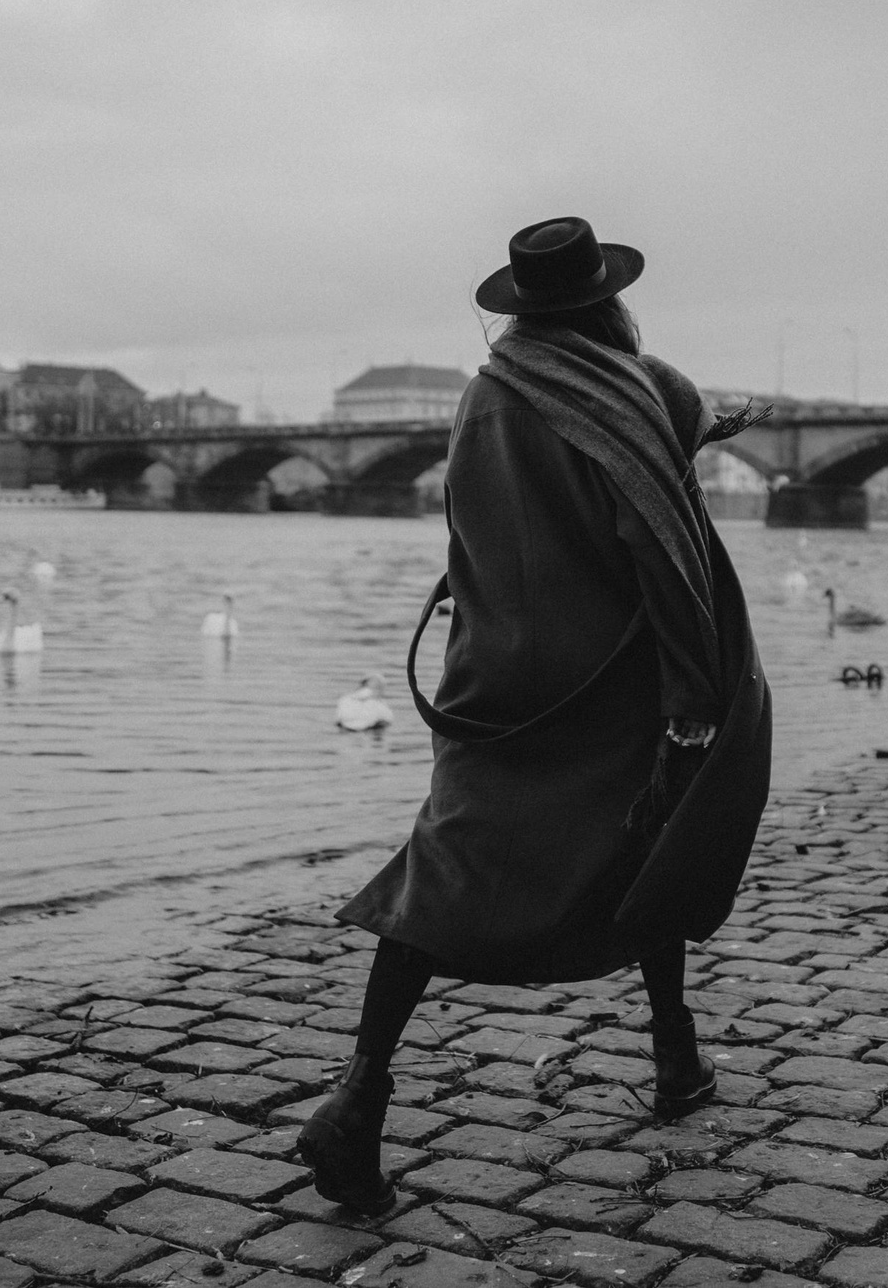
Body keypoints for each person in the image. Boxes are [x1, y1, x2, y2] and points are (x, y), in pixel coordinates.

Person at [296, 216, 774, 1214]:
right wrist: (693, 698)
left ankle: (359, 1094)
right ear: (605, 297)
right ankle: (675, 1057)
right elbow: (654, 532)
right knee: (655, 839)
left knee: (444, 865)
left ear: (522, 307)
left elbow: (487, 515)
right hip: (610, 678)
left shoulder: (487, 391)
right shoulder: (637, 386)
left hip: (498, 675)